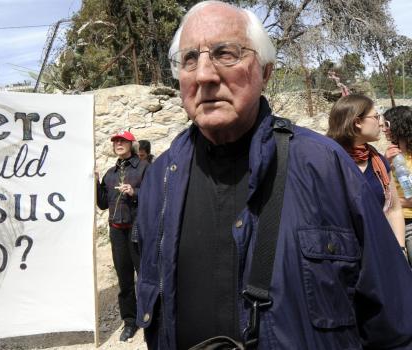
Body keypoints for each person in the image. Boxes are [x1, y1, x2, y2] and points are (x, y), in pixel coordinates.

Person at [134, 2, 412, 349]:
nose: (204, 74)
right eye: (190, 59)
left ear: (265, 72)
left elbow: (396, 324)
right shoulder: (159, 181)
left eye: (225, 53)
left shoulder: (323, 165)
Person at [327, 95, 406, 249]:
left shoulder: (379, 162)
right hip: (340, 254)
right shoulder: (327, 160)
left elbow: (394, 210)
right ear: (357, 122)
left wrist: (400, 249)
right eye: (376, 117)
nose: (382, 123)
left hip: (378, 248)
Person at [96, 130, 149, 342]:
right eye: (115, 141)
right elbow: (101, 203)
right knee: (125, 279)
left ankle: (149, 319)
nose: (118, 144)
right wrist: (95, 182)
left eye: (122, 141)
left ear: (131, 143)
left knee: (145, 276)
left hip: (138, 228)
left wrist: (135, 193)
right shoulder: (110, 174)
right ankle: (130, 321)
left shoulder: (144, 168)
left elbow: (156, 196)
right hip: (117, 230)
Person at [384, 105, 412, 262]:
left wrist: (391, 202)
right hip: (392, 222)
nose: (383, 129)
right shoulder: (389, 155)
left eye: (386, 124)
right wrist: (384, 163)